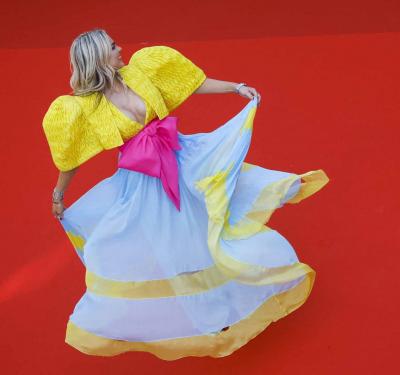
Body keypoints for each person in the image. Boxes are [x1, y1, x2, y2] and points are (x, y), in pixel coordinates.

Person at [42, 28, 330, 361]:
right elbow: (72, 159)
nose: (121, 48)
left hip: (182, 158)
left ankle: (251, 278)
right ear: (96, 57)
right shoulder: (84, 107)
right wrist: (58, 195)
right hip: (144, 182)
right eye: (112, 46)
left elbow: (192, 83)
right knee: (171, 248)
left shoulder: (141, 70)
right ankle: (199, 318)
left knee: (221, 206)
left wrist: (235, 88)